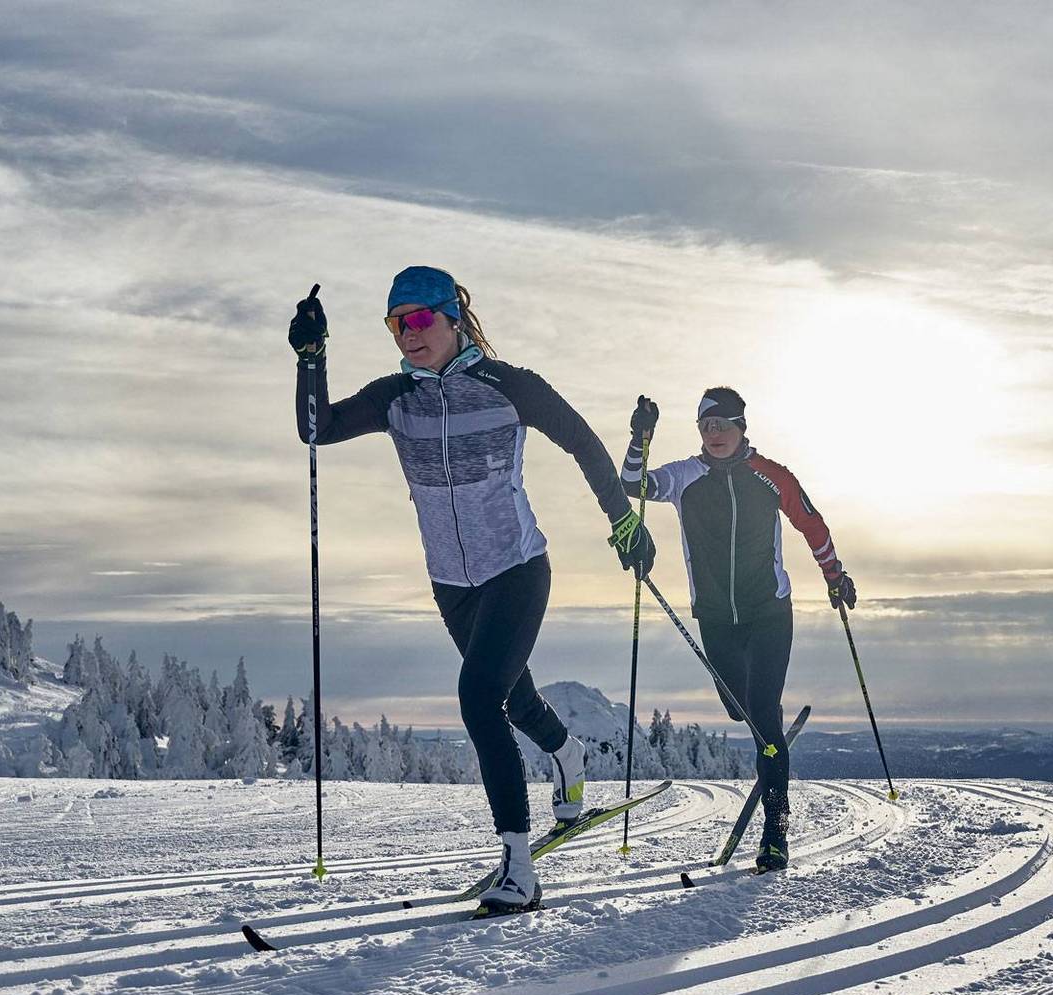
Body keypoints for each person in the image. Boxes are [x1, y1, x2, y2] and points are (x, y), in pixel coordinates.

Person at [289, 268, 655, 912]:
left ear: (454, 316)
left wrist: (622, 520)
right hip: (451, 583)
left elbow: (584, 443)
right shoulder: (395, 398)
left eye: (420, 318)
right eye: (395, 322)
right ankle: (568, 755)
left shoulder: (509, 386)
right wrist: (312, 360)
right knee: (514, 700)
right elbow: (316, 428)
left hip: (516, 569)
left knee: (478, 698)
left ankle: (519, 867)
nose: (408, 334)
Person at [621, 388, 856, 871]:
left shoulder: (772, 476)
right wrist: (640, 437)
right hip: (715, 618)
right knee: (739, 709)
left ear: (742, 426)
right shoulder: (685, 476)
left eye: (724, 425)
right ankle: (761, 724)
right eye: (707, 426)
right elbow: (633, 484)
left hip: (769, 611)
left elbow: (812, 524)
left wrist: (835, 576)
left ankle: (776, 830)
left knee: (763, 717)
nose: (715, 434)